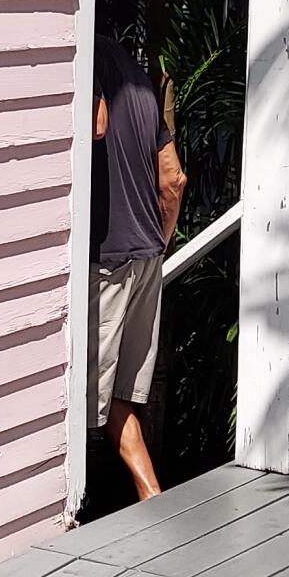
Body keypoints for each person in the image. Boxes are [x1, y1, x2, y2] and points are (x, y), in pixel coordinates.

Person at [91, 38, 185, 503]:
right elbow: (174, 180)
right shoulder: (142, 84)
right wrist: (157, 243)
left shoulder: (88, 60)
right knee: (122, 397)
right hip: (147, 255)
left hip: (105, 261)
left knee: (91, 400)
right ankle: (152, 495)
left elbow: (96, 124)